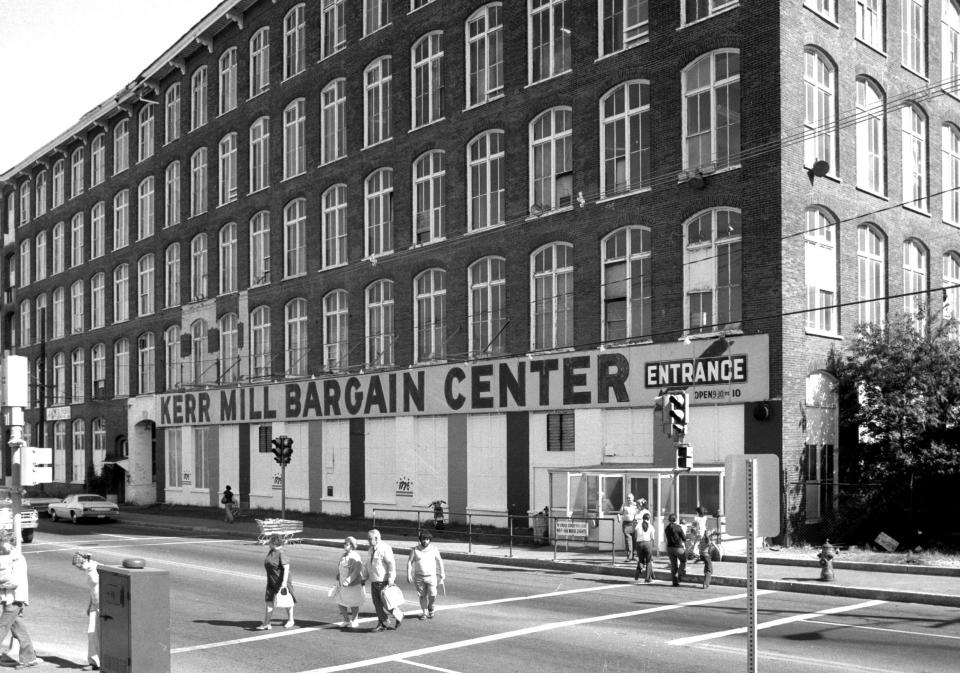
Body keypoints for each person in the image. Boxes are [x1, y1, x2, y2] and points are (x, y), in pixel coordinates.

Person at [0, 532, 42, 668]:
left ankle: (29, 658)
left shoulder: (17, 558)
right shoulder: (5, 556)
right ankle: (29, 658)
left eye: (1, 543)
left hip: (15, 599)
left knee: (2, 627)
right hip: (7, 598)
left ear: (8, 543)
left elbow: (14, 582)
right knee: (19, 629)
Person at [365, 529, 403, 631]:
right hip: (374, 580)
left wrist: (391, 578)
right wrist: (364, 577)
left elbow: (391, 564)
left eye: (369, 539)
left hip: (383, 580)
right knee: (377, 604)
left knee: (387, 603)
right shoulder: (370, 549)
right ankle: (383, 622)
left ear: (376, 538)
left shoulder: (385, 548)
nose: (368, 541)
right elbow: (367, 564)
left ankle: (399, 615)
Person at [257, 534, 296, 630]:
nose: (268, 543)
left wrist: (284, 583)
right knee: (269, 600)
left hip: (282, 581)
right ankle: (266, 623)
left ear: (273, 543)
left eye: (270, 541)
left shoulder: (281, 552)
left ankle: (291, 620)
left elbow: (286, 568)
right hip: (272, 580)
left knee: (287, 601)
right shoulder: (272, 551)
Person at [406, 530, 445, 620]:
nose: (425, 541)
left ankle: (430, 607)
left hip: (431, 576)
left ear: (430, 540)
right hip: (419, 577)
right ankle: (424, 612)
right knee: (422, 595)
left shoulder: (434, 549)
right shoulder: (415, 550)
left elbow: (439, 560)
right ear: (420, 540)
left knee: (433, 594)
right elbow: (409, 562)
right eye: (423, 539)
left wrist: (442, 572)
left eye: (427, 539)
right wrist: (408, 574)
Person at [72, 553, 100, 671]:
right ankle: (94, 661)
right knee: (92, 632)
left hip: (104, 605)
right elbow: (92, 589)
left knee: (101, 633)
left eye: (80, 565)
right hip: (95, 604)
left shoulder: (98, 569)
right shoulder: (88, 570)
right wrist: (90, 605)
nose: (79, 568)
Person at [335, 537, 365, 629]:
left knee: (353, 603)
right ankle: (346, 620)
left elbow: (357, 570)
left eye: (347, 544)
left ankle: (355, 620)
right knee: (340, 601)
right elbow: (340, 568)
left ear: (352, 546)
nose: (344, 545)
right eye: (344, 543)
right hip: (342, 583)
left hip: (352, 584)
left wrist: (348, 580)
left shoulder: (355, 556)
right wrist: (338, 578)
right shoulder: (343, 555)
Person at [664, 513, 687, 587]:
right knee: (683, 561)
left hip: (669, 548)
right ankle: (679, 574)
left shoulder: (667, 528)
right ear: (675, 519)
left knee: (674, 565)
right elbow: (684, 538)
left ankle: (675, 582)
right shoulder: (678, 527)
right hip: (678, 548)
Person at [633, 513, 655, 584]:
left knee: (641, 560)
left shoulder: (638, 526)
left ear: (643, 518)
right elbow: (652, 538)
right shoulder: (651, 526)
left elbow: (635, 536)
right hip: (647, 544)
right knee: (648, 561)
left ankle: (637, 573)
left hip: (639, 544)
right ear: (649, 519)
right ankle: (647, 578)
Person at [618, 493, 640, 562]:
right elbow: (619, 513)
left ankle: (634, 556)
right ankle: (628, 556)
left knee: (635, 540)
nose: (628, 499)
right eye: (627, 498)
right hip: (626, 524)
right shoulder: (624, 505)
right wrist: (619, 517)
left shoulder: (636, 505)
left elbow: (640, 513)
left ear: (633, 499)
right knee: (628, 541)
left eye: (630, 498)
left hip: (633, 524)